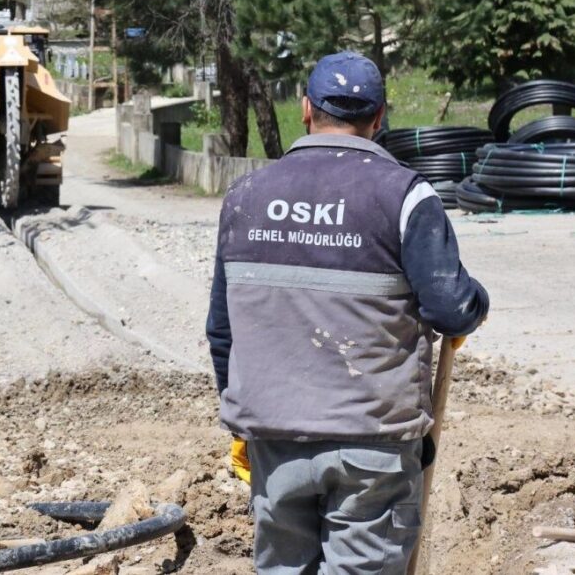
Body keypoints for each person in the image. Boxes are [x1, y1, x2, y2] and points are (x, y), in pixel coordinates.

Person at [205, 51, 489, 574]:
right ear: (379, 118)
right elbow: (452, 307)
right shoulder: (404, 195)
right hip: (372, 446)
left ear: (305, 108)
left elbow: (221, 331)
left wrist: (243, 422)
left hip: (274, 439)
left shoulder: (244, 197)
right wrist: (476, 301)